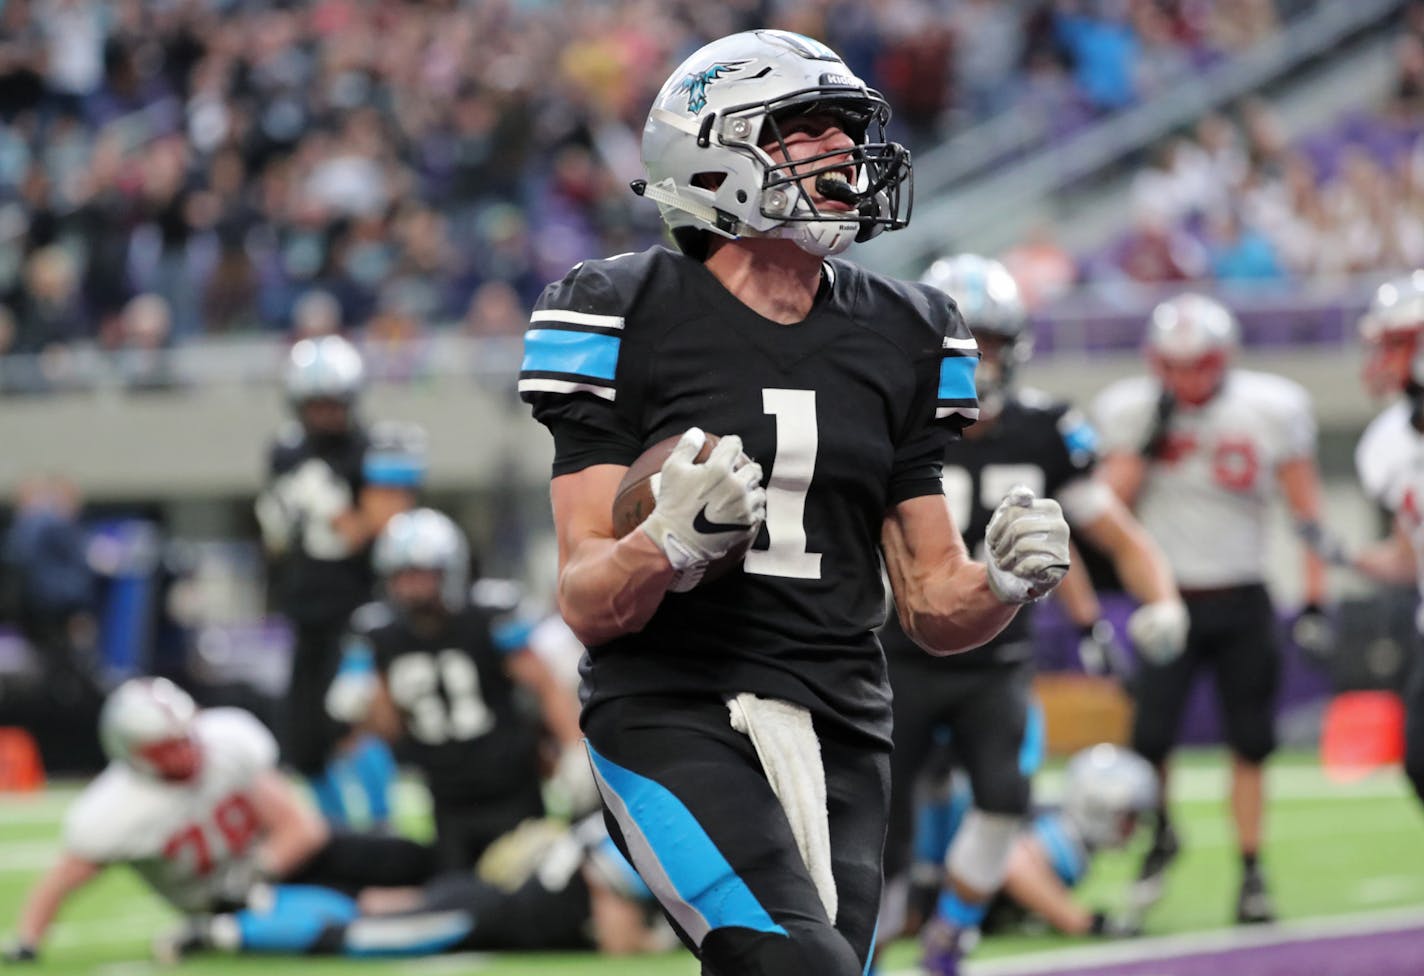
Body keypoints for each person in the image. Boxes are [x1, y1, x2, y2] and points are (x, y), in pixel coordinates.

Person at [519, 29, 1072, 976]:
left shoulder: (908, 330)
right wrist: (666, 544)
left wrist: (1006, 582)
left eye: (845, 130)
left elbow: (934, 604)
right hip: (672, 708)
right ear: (710, 149)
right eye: (805, 128)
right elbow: (585, 598)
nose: (841, 152)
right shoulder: (620, 307)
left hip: (843, 720)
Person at [879, 255, 1184, 974]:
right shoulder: (890, 419)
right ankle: (869, 947)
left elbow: (1094, 537)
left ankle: (950, 939)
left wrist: (1156, 599)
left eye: (989, 342)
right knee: (880, 825)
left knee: (1005, 797)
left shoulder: (1047, 429)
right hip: (900, 652)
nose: (978, 361)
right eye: (963, 341)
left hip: (995, 658)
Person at [1092, 292, 1330, 926]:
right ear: (1155, 362)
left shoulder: (1269, 409)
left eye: (1198, 364)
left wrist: (1315, 595)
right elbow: (1103, 509)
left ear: (1223, 359)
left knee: (1250, 742)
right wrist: (1150, 435)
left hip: (1243, 592)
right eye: (1174, 365)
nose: (1187, 378)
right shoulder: (1133, 410)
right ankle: (1162, 833)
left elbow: (1305, 511)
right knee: (1151, 738)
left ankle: (1252, 872)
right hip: (1165, 599)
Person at [1, 678, 438, 965]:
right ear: (132, 754)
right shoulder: (113, 812)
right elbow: (63, 879)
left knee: (410, 860)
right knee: (354, 918)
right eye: (166, 748)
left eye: (185, 738)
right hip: (222, 902)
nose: (186, 753)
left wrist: (254, 874)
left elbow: (303, 830)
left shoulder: (225, 740)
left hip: (276, 861)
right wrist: (27, 942)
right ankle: (215, 933)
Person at [346, 507, 588, 870]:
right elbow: (387, 725)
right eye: (402, 575)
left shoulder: (489, 615)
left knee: (523, 889)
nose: (411, 587)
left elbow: (543, 685)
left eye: (420, 574)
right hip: (441, 795)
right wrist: (361, 706)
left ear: (449, 570)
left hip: (509, 786)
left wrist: (573, 746)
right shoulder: (380, 634)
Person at [253, 334, 425, 825]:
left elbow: (386, 531)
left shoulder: (377, 447)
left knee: (354, 723)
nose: (326, 413)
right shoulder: (285, 453)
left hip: (360, 612)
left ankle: (380, 822)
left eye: (334, 402)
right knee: (303, 741)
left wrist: (330, 506)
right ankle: (337, 831)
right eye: (316, 403)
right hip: (306, 612)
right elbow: (279, 541)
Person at [153, 814, 676, 960]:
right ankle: (224, 932)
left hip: (478, 893)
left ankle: (264, 902)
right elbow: (617, 941)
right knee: (356, 936)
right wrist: (664, 941)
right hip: (480, 914)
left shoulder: (617, 819)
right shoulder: (631, 842)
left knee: (368, 907)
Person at [907, 743, 1157, 942]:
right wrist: (1080, 921)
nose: (1134, 828)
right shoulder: (1062, 841)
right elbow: (1012, 864)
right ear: (1101, 807)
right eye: (1130, 817)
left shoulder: (1057, 828)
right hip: (924, 890)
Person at [1335, 272, 1424, 806]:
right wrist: (1348, 556)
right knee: (1419, 763)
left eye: (1398, 344)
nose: (1384, 360)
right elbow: (1411, 555)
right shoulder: (1387, 444)